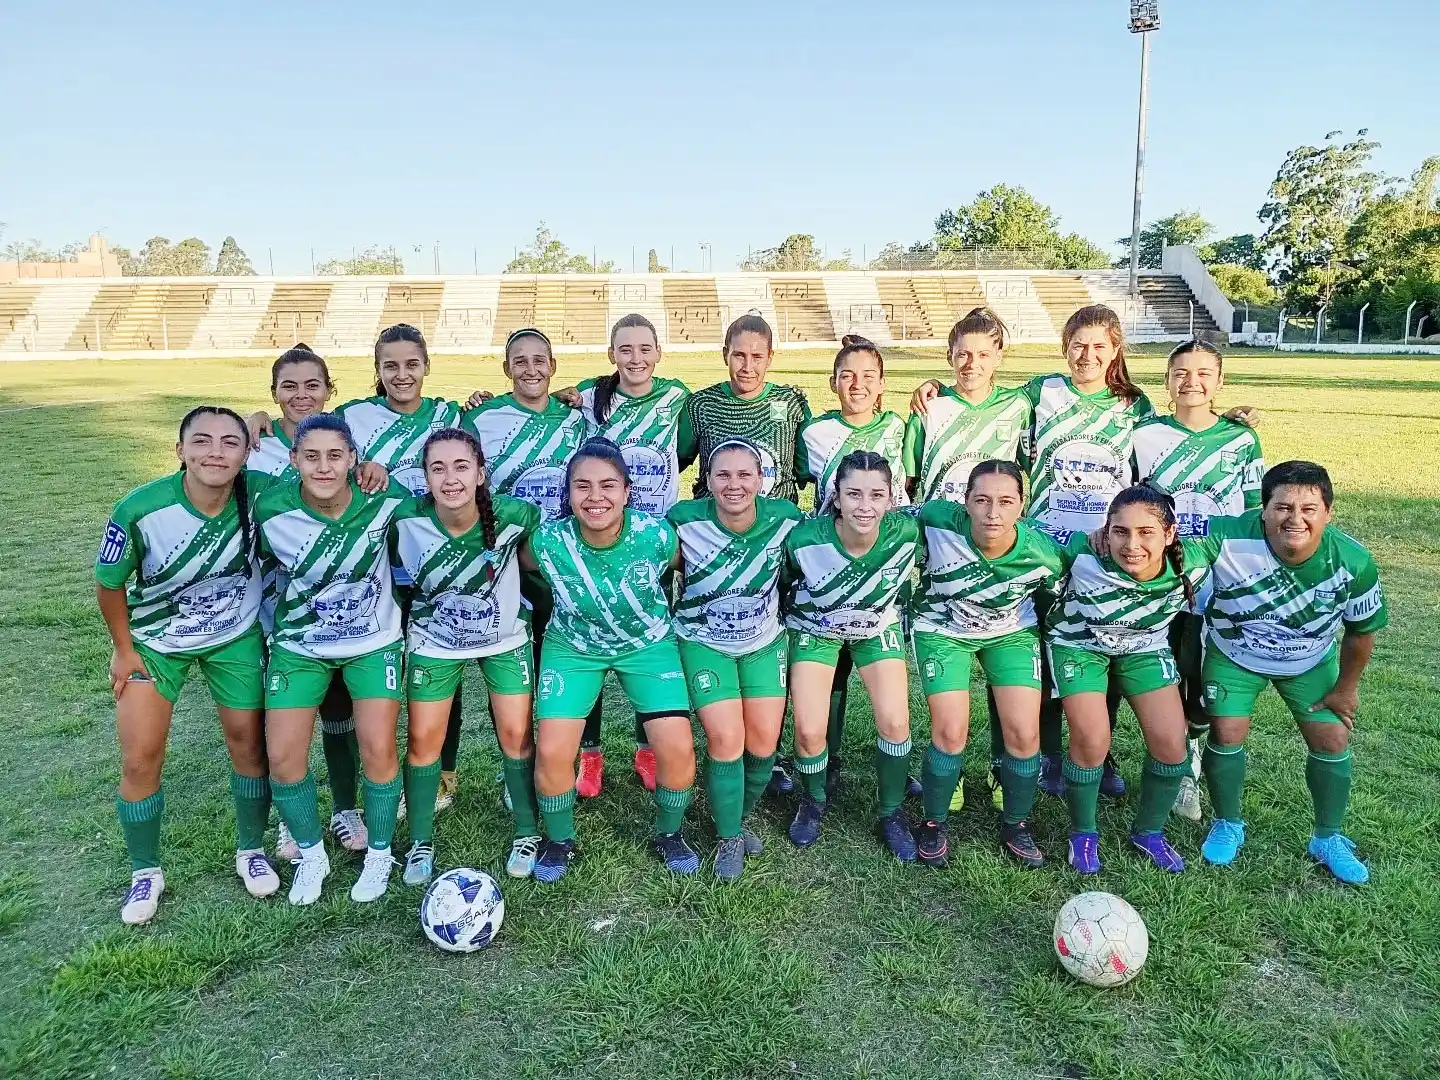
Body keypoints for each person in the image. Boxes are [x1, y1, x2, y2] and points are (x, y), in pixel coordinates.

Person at [96, 406, 274, 924]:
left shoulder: (260, 494)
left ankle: (251, 848)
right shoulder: (140, 508)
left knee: (249, 745)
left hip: (234, 637)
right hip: (156, 643)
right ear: (179, 450)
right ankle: (144, 871)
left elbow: (322, 481)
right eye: (201, 441)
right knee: (140, 756)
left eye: (229, 443)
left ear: (246, 454)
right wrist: (124, 649)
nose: (215, 453)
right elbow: (108, 583)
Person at [1190, 461, 1386, 885]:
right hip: (1235, 654)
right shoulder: (1224, 535)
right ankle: (1227, 822)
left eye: (1309, 509)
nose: (1295, 518)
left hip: (1309, 660)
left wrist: (1346, 689)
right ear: (1262, 510)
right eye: (1282, 507)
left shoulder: (1353, 561)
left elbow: (1361, 632)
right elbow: (1170, 544)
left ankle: (1327, 838)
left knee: (1332, 737)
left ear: (1328, 513)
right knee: (1226, 732)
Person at [521, 437, 698, 883]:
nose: (595, 496)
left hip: (647, 645)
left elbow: (690, 567)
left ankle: (669, 833)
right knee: (552, 751)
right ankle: (559, 840)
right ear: (568, 493)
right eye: (582, 486)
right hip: (573, 648)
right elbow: (509, 565)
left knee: (678, 748)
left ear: (627, 490)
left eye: (608, 485)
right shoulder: (548, 542)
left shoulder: (656, 536)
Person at [255, 413, 411, 905]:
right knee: (283, 757)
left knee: (378, 748)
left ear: (353, 460)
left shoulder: (386, 498)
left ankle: (380, 853)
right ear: (293, 460)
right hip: (300, 645)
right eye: (311, 456)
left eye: (335, 456)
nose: (323, 467)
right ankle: (312, 855)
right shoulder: (269, 509)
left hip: (373, 642)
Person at [247, 344, 386, 863]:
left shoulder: (342, 438)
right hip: (281, 607)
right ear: (273, 392)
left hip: (347, 605)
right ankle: (294, 821)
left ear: (330, 390)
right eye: (289, 386)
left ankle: (347, 807)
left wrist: (374, 467)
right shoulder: (255, 444)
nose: (301, 394)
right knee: (289, 722)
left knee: (341, 712)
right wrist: (250, 422)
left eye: (312, 385)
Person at [390, 428, 544, 883]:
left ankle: (527, 831)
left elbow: (542, 552)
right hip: (434, 640)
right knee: (423, 740)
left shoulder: (516, 515)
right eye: (437, 468)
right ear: (425, 477)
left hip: (504, 638)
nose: (450, 478)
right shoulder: (404, 518)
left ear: (480, 473)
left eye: (461, 467)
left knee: (516, 735)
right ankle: (420, 842)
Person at [908, 460, 1072, 869]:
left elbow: (1069, 578)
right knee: (950, 731)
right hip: (942, 628)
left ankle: (1016, 824)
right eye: (981, 500)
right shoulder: (936, 520)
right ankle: (933, 822)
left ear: (1022, 505)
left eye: (1005, 501)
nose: (992, 513)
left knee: (1024, 734)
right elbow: (885, 523)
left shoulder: (1043, 553)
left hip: (1009, 632)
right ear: (964, 501)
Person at [562, 314, 697, 798]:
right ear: (611, 355)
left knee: (650, 647)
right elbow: (548, 403)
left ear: (658, 352)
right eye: (625, 349)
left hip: (650, 544)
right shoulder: (589, 397)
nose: (635, 358)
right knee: (592, 643)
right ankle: (590, 755)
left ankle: (647, 750)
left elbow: (686, 450)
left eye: (644, 348)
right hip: (596, 540)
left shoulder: (676, 396)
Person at [1047, 484, 1211, 874]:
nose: (1132, 544)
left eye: (1145, 532)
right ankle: (1083, 834)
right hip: (1078, 645)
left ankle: (1149, 833)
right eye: (1120, 531)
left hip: (1143, 646)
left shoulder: (1194, 562)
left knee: (1172, 744)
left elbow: (1248, 528)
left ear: (1170, 534)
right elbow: (1024, 532)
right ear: (1105, 531)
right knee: (1092, 740)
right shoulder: (1082, 551)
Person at [1132, 339, 1264, 822]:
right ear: (1166, 382)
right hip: (1160, 574)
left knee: (1207, 678)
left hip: (1220, 577)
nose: (1192, 381)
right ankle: (1177, 764)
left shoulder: (1241, 440)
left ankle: (1190, 747)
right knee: (1165, 665)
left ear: (1220, 381)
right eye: (1181, 373)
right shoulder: (1143, 435)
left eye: (1204, 372)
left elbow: (1254, 512)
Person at [685, 311, 811, 796]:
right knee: (721, 636)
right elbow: (675, 455)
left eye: (757, 356)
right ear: (725, 355)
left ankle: (768, 755)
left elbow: (810, 464)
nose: (747, 365)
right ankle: (720, 747)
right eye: (738, 355)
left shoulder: (791, 403)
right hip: (716, 546)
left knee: (772, 647)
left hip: (774, 549)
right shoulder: (702, 404)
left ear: (770, 358)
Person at [668, 439, 803, 880]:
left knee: (763, 744)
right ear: (706, 480)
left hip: (763, 641)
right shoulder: (683, 520)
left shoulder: (785, 518)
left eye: (745, 475)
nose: (734, 484)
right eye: (723, 474)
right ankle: (728, 836)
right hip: (703, 641)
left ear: (761, 480)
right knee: (727, 739)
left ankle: (736, 816)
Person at [783, 450, 919, 860]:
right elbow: (783, 582)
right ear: (836, 497)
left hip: (875, 628)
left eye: (877, 495)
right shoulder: (805, 539)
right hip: (816, 629)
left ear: (891, 499)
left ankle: (891, 812)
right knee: (809, 731)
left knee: (895, 721)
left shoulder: (907, 531)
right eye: (854, 494)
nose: (865, 506)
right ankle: (813, 798)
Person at [794, 334, 910, 802]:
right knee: (829, 677)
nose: (857, 384)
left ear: (882, 384)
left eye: (868, 376)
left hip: (881, 564)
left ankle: (890, 795)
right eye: (847, 375)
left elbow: (916, 482)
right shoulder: (813, 432)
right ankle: (827, 761)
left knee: (891, 705)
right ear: (833, 382)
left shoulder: (901, 426)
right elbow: (793, 478)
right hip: (828, 567)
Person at [903, 308, 1032, 504]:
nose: (972, 364)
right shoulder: (927, 407)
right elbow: (907, 482)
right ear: (950, 357)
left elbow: (1033, 466)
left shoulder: (1018, 405)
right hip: (940, 522)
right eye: (963, 354)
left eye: (983, 355)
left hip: (994, 521)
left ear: (998, 357)